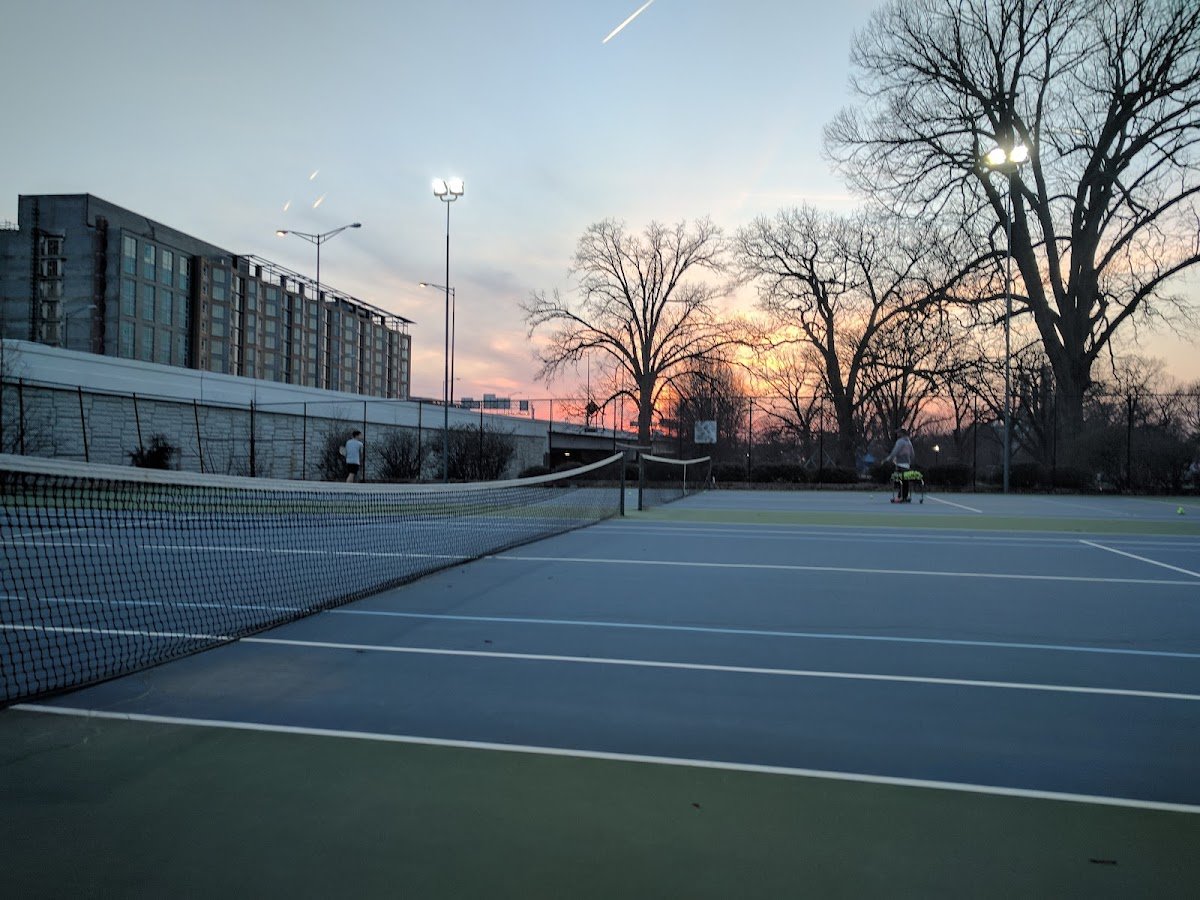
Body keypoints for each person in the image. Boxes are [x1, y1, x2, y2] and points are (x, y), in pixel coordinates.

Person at [883, 427, 915, 503]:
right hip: (907, 464)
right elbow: (912, 454)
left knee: (900, 481)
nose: (897, 434)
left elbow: (895, 451)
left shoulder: (900, 442)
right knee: (905, 481)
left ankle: (900, 497)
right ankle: (905, 496)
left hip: (900, 464)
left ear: (902, 434)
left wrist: (888, 459)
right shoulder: (909, 442)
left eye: (899, 433)